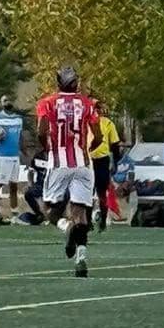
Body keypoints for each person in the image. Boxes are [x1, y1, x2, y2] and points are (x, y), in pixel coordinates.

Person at [36, 66, 100, 277]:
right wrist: (86, 150)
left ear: (58, 82)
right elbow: (98, 136)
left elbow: (41, 131)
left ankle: (65, 227)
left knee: (49, 209)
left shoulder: (47, 103)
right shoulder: (87, 103)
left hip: (59, 162)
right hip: (82, 163)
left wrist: (48, 148)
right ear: (76, 83)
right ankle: (81, 256)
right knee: (80, 212)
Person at [0, 98, 25, 215]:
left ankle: (15, 211)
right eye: (4, 100)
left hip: (15, 157)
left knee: (14, 185)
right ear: (1, 104)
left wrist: (24, 152)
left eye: (9, 99)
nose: (7, 101)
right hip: (2, 157)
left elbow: (20, 137)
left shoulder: (18, 119)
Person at [88, 104, 124, 231]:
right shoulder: (85, 121)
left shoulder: (108, 123)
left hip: (102, 161)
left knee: (101, 192)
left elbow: (115, 144)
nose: (97, 111)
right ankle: (87, 221)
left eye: (98, 109)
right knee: (86, 192)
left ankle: (102, 220)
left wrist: (115, 162)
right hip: (88, 160)